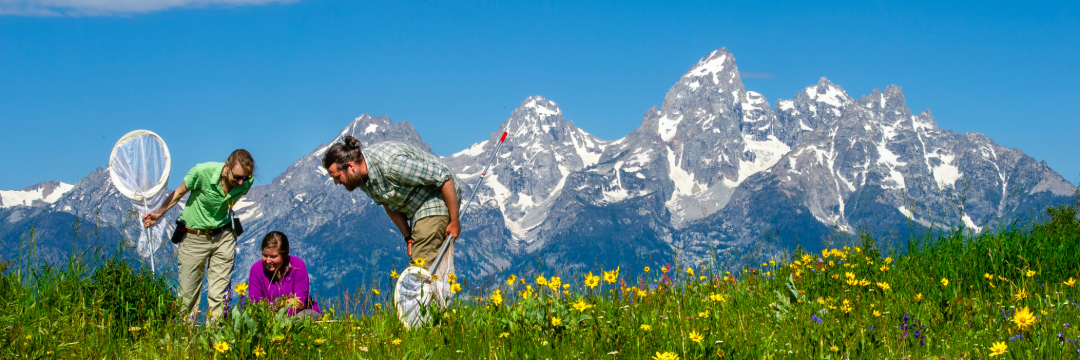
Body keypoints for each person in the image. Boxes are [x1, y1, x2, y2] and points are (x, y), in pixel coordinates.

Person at [322, 136, 461, 298]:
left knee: (420, 269)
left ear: (350, 166)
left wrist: (454, 221)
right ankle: (436, 311)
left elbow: (443, 176)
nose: (337, 183)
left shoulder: (391, 165)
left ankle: (425, 316)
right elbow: (388, 203)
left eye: (337, 177)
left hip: (435, 199)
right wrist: (408, 237)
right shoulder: (362, 179)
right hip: (416, 209)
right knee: (425, 268)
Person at [142, 149, 255, 322]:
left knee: (220, 295)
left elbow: (229, 201)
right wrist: (158, 214)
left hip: (223, 236)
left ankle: (215, 342)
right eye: (237, 177)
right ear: (226, 167)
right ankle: (187, 342)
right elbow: (179, 193)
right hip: (194, 236)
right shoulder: (201, 172)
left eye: (245, 178)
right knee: (187, 296)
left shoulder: (247, 182)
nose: (241, 182)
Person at [248, 231, 321, 318]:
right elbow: (255, 306)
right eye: (265, 255)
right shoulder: (256, 270)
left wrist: (270, 308)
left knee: (303, 316)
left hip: (301, 315)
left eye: (273, 256)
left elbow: (300, 305)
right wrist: (283, 303)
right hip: (270, 319)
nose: (267, 261)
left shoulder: (297, 266)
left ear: (284, 254)